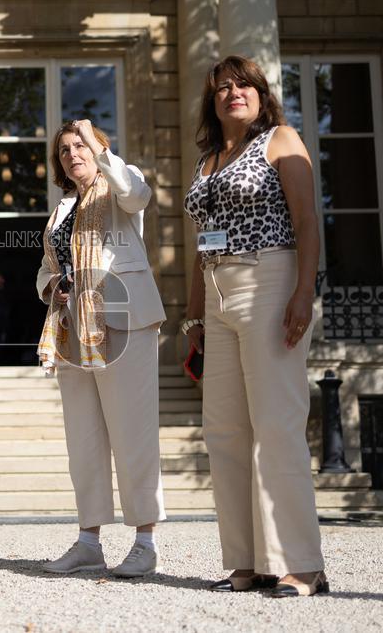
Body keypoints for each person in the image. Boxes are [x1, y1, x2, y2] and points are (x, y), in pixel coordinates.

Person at [182, 55, 326, 597]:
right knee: (225, 433)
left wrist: (304, 291)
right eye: (223, 87)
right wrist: (194, 317)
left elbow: (307, 218)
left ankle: (302, 564)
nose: (233, 92)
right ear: (212, 101)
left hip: (270, 277)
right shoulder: (208, 161)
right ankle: (247, 562)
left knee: (276, 427)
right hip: (218, 292)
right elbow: (202, 244)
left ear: (261, 95)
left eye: (243, 84)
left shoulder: (281, 140)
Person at [36, 119, 167, 578]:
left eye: (81, 146)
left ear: (98, 148)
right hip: (72, 328)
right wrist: (55, 286)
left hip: (123, 321)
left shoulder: (120, 186)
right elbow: (45, 270)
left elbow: (137, 193)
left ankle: (145, 541)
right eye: (65, 149)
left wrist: (94, 139)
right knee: (84, 442)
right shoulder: (61, 208)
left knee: (133, 434)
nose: (73, 153)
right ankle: (89, 541)